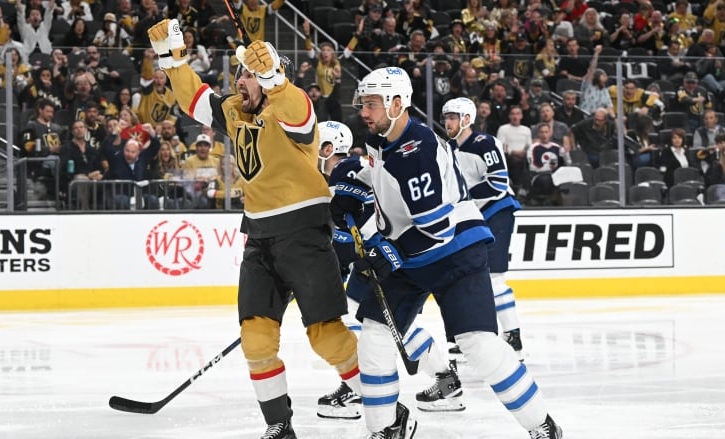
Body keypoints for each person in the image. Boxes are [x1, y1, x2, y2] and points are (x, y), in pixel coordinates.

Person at [147, 19, 361, 439]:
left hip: (303, 230)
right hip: (260, 236)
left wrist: (275, 80)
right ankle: (279, 426)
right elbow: (195, 100)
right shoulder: (234, 111)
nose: (239, 81)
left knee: (328, 338)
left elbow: (302, 121)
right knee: (256, 338)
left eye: (248, 74)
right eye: (240, 74)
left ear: (268, 76)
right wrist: (172, 59)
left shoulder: (288, 108)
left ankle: (384, 403)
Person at [330, 66, 562, 439]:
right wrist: (351, 184)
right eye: (364, 104)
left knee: (479, 346)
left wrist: (385, 251)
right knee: (374, 335)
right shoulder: (381, 138)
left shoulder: (418, 150)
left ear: (396, 103)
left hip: (455, 251)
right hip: (411, 256)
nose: (364, 111)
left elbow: (435, 229)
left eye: (372, 104)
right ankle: (385, 428)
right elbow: (382, 177)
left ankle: (542, 426)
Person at [317, 120, 467, 416]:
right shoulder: (348, 169)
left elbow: (351, 229)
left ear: (328, 148)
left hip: (389, 255)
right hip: (388, 253)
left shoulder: (343, 169)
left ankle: (359, 388)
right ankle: (446, 381)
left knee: (355, 317)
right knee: (389, 322)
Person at [443, 97, 528, 358]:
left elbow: (499, 182)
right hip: (473, 216)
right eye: (446, 117)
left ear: (467, 119)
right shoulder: (446, 149)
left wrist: (463, 196)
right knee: (466, 275)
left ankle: (513, 337)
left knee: (494, 277)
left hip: (497, 211)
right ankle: (474, 336)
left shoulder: (485, 143)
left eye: (453, 117)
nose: (448, 122)